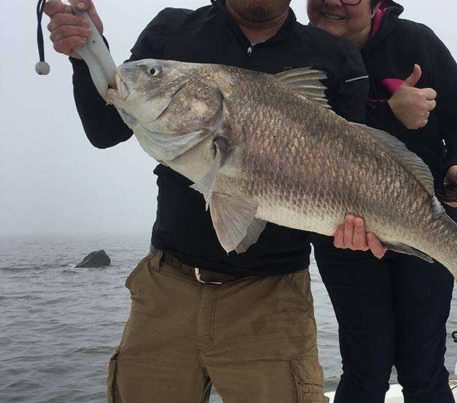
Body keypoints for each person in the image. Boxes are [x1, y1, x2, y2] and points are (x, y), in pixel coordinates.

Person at [43, 0, 369, 401]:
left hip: (271, 300)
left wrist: (358, 233)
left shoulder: (334, 56)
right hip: (167, 288)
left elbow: (351, 171)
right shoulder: (173, 29)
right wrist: (87, 54)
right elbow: (106, 130)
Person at [307, 0, 457, 402]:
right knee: (364, 369)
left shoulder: (417, 41)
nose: (332, 3)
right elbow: (304, 142)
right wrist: (389, 112)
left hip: (426, 223)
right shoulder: (303, 53)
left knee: (424, 370)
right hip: (342, 232)